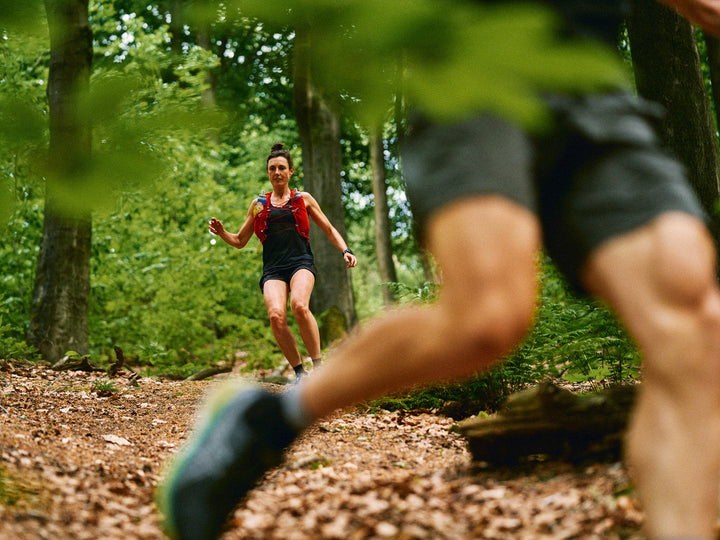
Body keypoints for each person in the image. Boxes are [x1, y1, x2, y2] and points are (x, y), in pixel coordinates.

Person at [158, 2, 720, 539]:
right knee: (487, 318)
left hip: (590, 86)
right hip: (472, 76)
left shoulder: (301, 198)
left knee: (696, 323)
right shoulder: (265, 202)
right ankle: (271, 418)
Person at [208, 143, 357, 383]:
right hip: (273, 269)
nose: (277, 172)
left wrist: (345, 250)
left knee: (299, 305)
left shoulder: (303, 199)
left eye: (281, 168)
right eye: (272, 168)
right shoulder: (258, 205)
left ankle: (319, 368)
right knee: (276, 316)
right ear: (268, 173)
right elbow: (239, 241)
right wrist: (222, 232)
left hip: (301, 263)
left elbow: (328, 228)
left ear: (291, 171)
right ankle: (300, 373)